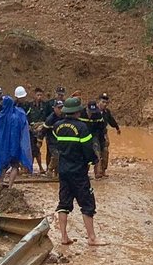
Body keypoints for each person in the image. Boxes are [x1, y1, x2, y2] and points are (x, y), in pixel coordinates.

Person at [50, 97, 104, 246]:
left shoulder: (57, 126)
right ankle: (92, 238)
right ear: (77, 112)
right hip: (78, 171)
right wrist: (94, 160)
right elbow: (87, 148)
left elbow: (56, 145)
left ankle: (64, 236)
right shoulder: (81, 128)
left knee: (63, 203)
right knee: (87, 204)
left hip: (63, 170)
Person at [0, 95, 34, 186]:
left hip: (4, 146)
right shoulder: (19, 114)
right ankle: (10, 185)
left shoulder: (1, 117)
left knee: (3, 164)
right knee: (15, 166)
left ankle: (0, 182)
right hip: (15, 145)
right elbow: (23, 129)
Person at [84, 93, 121, 178]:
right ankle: (88, 172)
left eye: (106, 103)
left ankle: (101, 171)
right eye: (103, 102)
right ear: (98, 102)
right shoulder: (92, 111)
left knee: (105, 151)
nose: (104, 104)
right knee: (93, 152)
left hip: (103, 133)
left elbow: (111, 120)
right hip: (91, 134)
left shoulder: (106, 112)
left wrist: (117, 128)